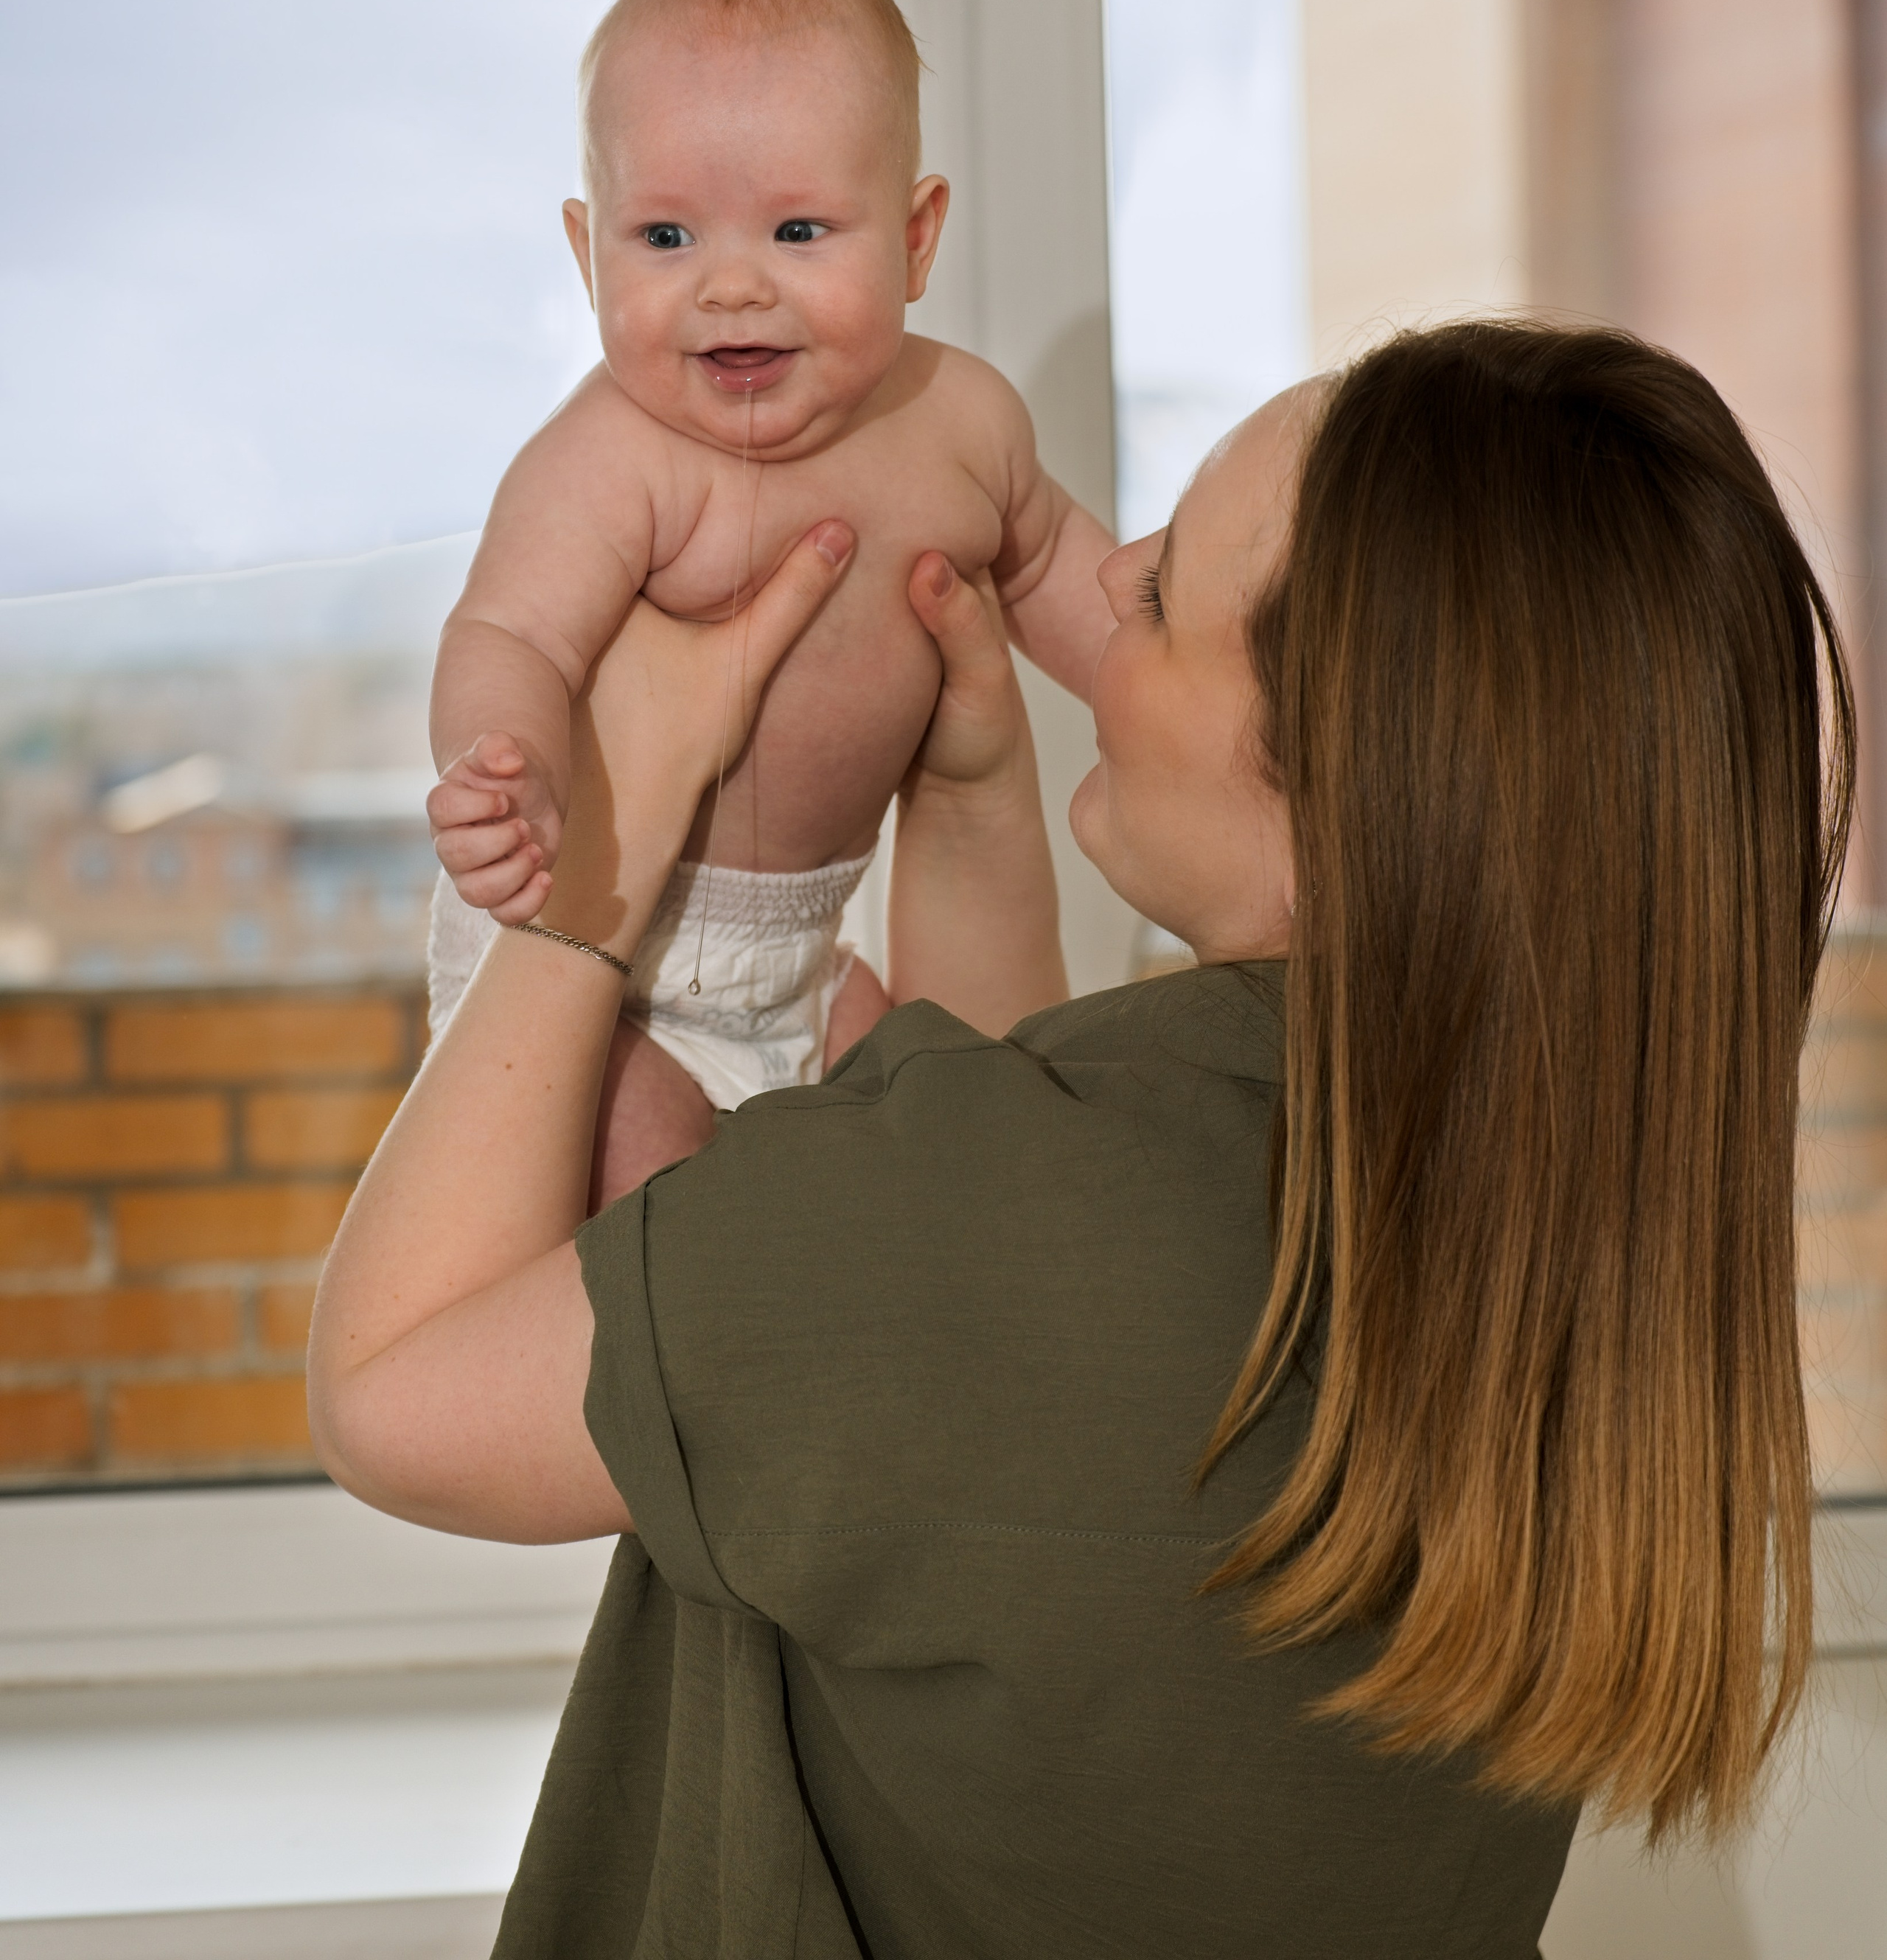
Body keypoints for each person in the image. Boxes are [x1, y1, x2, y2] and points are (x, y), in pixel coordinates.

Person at [310, 321, 1851, 1955]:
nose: (1102, 573)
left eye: (1166, 593)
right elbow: (993, 1261)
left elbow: (395, 1388)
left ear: (1342, 797)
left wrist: (596, 852)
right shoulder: (1555, 1252)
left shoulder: (1006, 1231)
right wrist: (973, 800)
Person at [425, 0, 1112, 1187]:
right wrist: (501, 775)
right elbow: (509, 634)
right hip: (609, 956)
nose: (731, 287)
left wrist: (1191, 692)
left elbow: (1067, 571)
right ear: (587, 253)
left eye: (798, 232)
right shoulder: (613, 457)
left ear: (914, 239)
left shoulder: (961, 424)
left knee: (929, 1124)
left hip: (803, 945)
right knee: (665, 1201)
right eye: (667, 239)